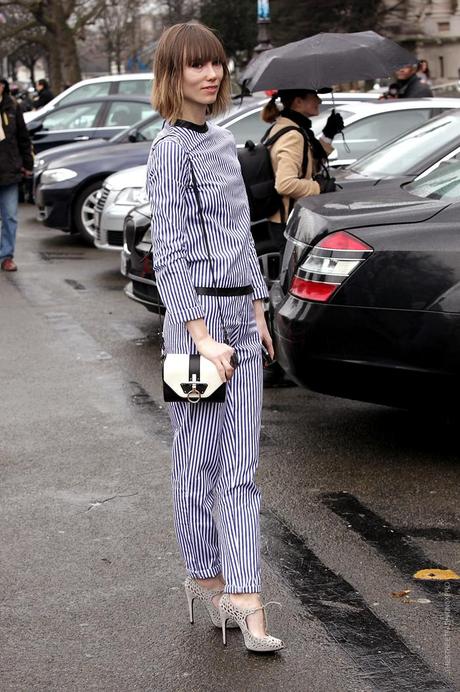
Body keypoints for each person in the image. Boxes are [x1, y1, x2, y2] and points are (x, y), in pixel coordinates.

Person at [146, 22, 284, 653]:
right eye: (196, 66)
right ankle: (207, 577)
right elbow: (171, 251)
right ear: (171, 75)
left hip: (238, 322)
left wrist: (257, 307)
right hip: (193, 328)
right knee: (195, 459)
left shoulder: (223, 139)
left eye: (218, 65)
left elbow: (238, 235)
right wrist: (200, 334)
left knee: (241, 467)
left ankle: (247, 595)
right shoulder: (169, 150)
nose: (211, 75)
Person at [261, 89, 344, 255]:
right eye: (314, 97)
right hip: (288, 221)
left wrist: (328, 135)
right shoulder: (293, 134)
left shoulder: (286, 126)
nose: (319, 101)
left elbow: (306, 165)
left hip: (283, 218)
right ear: (298, 102)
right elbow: (285, 184)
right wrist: (319, 187)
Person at [0, 78, 34, 272]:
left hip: (9, 171)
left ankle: (6, 256)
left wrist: (27, 164)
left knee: (10, 216)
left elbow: (23, 137)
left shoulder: (13, 107)